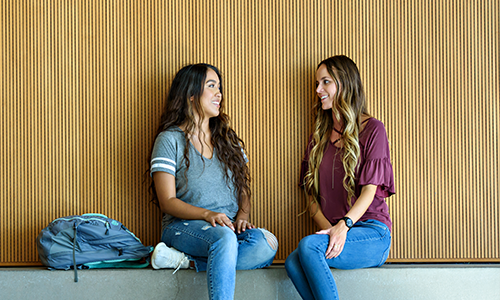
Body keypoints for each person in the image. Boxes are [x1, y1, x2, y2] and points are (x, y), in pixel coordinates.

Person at [148, 63, 278, 300]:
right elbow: (167, 201)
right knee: (225, 239)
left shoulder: (228, 140)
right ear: (190, 95)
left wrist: (243, 215)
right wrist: (207, 214)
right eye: (211, 86)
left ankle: (186, 262)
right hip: (182, 227)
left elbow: (243, 185)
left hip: (226, 228)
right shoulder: (169, 140)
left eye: (219, 87)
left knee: (267, 243)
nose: (219, 93)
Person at [285, 55, 395, 300]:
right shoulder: (319, 138)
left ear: (344, 84)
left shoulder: (373, 129)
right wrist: (332, 231)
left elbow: (369, 191)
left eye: (325, 82)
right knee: (293, 262)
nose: (317, 89)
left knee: (308, 247)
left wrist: (344, 225)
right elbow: (310, 195)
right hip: (337, 231)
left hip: (371, 232)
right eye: (317, 83)